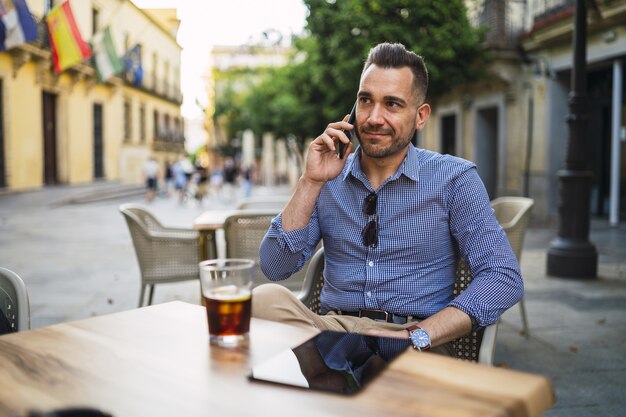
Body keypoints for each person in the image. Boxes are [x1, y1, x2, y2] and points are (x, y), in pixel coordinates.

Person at [254, 43, 523, 356]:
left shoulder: (454, 179)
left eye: (392, 104)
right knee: (264, 299)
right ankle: (331, 377)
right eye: (365, 101)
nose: (373, 118)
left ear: (420, 116)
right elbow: (275, 267)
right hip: (334, 333)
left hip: (411, 340)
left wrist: (419, 336)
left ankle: (337, 386)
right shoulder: (328, 178)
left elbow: (502, 276)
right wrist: (310, 181)